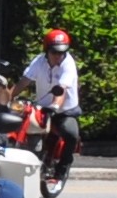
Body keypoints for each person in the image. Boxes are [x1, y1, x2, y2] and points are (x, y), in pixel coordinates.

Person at [9, 28, 84, 156]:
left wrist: (55, 106)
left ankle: (64, 164)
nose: (58, 56)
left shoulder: (68, 64)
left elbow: (61, 89)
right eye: (54, 52)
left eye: (62, 52)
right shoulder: (39, 61)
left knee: (71, 133)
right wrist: (7, 99)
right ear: (46, 50)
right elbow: (24, 82)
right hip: (42, 109)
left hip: (64, 111)